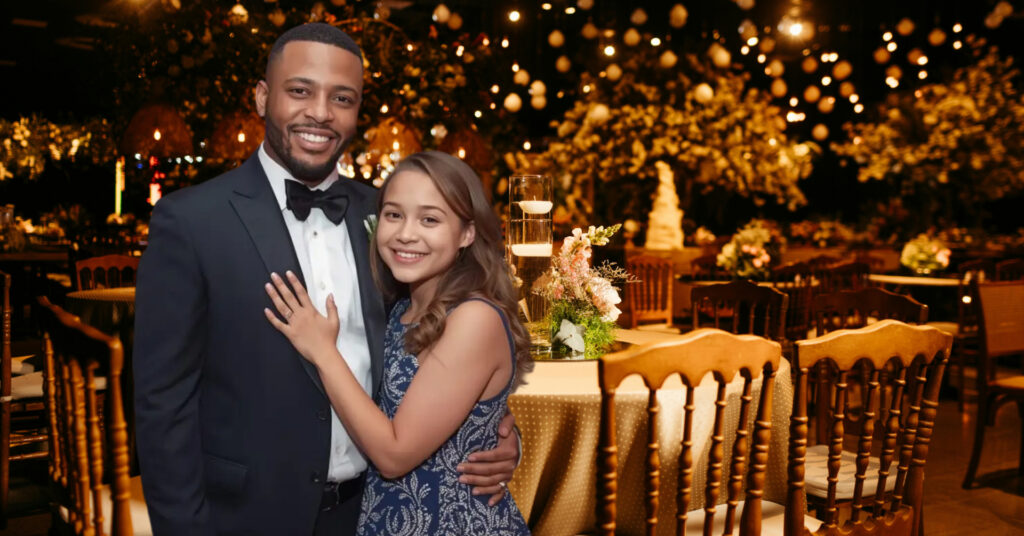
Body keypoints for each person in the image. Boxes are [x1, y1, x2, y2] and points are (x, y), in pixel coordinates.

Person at [133, 23, 519, 536]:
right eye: (300, 91)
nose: (320, 112)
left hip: (370, 510)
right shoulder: (192, 221)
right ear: (262, 97)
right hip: (247, 516)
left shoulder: (385, 218)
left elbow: (439, 347)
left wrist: (490, 433)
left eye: (342, 98)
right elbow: (163, 402)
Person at [264, 151, 532, 534]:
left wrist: (323, 350)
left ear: (467, 233)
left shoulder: (475, 317)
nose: (406, 233)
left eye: (429, 219)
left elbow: (393, 455)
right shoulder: (400, 306)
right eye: (393, 215)